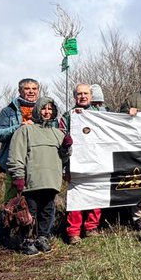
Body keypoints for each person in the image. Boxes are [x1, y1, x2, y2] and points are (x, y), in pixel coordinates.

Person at [6, 97, 70, 255]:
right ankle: (27, 240)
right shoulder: (25, 130)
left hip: (51, 180)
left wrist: (67, 147)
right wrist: (18, 176)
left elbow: (64, 158)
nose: (47, 112)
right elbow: (16, 156)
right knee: (29, 212)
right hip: (31, 180)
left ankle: (43, 238)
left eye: (50, 109)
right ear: (37, 110)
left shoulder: (58, 133)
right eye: (44, 108)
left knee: (47, 210)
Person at [0, 78, 41, 247]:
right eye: (27, 89)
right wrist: (19, 127)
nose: (31, 91)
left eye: (34, 88)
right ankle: (0, 237)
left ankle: (30, 237)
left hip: (37, 163)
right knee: (11, 201)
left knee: (35, 201)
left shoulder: (45, 109)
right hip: (14, 162)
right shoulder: (9, 111)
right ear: (20, 91)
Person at [61, 83, 103, 243]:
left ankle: (92, 227)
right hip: (75, 162)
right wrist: (65, 167)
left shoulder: (101, 114)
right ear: (74, 97)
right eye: (79, 94)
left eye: (86, 93)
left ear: (91, 96)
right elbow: (61, 142)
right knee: (76, 196)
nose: (83, 96)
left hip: (97, 161)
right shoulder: (67, 116)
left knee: (96, 193)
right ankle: (73, 232)